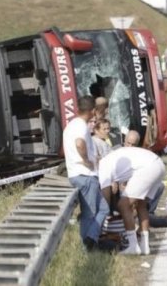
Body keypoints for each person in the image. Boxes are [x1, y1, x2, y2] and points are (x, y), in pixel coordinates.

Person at [98, 130, 165, 255]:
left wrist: (102, 215)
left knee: (123, 205)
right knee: (141, 205)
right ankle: (144, 246)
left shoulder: (102, 166)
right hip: (159, 163)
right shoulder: (113, 158)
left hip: (148, 167)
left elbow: (105, 196)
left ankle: (133, 246)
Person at [63, 95, 110, 252]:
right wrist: (86, 160)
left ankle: (91, 238)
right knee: (89, 213)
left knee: (103, 208)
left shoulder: (72, 125)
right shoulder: (81, 126)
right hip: (84, 175)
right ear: (92, 111)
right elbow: (79, 143)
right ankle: (87, 248)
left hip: (81, 174)